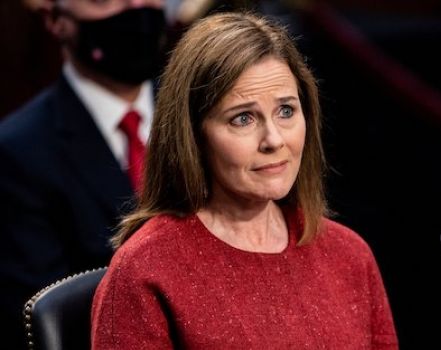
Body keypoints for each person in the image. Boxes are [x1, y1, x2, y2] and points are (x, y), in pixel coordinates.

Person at [91, 11, 399, 349]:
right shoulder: (144, 271)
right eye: (243, 118)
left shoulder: (349, 255)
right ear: (193, 135)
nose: (274, 140)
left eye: (286, 111)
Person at [0, 0, 167, 348]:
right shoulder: (19, 153)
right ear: (56, 19)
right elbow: (45, 313)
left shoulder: (206, 115)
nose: (135, 8)